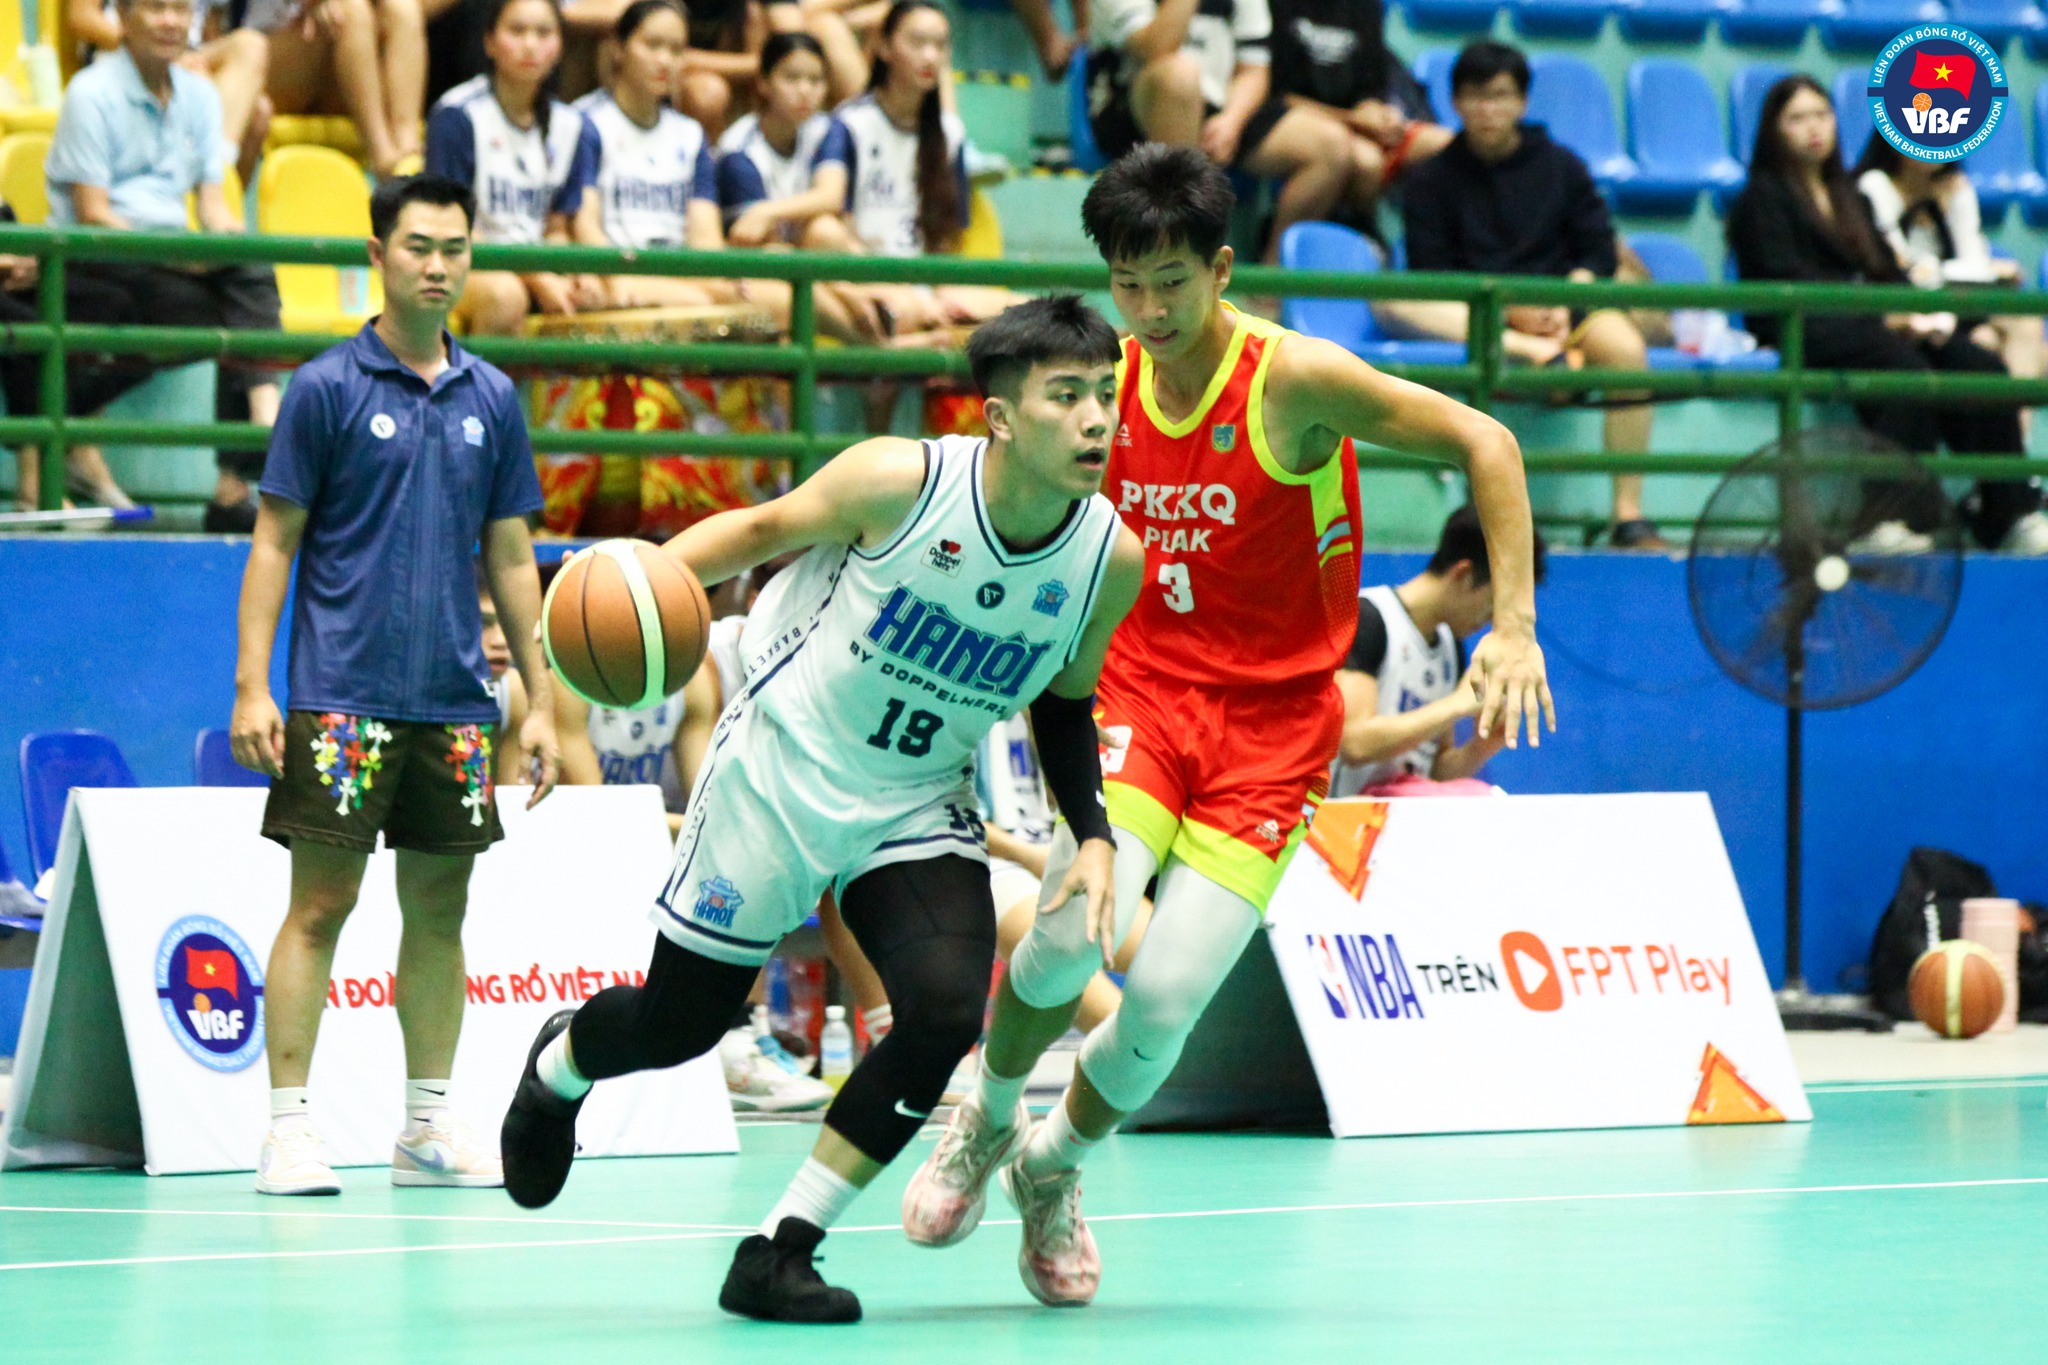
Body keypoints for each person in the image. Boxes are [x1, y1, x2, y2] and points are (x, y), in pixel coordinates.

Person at [903, 144, 1551, 1308]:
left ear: (1219, 270)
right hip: (1140, 695)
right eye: (1126, 285)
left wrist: (1511, 628)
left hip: (1276, 729)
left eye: (1169, 284)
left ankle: (1052, 1166)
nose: (1147, 313)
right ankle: (987, 1116)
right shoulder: (1099, 387)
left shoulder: (1292, 380)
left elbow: (1487, 444)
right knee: (1071, 930)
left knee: (1161, 1006)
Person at [497, 294, 1144, 1325]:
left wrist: (1094, 836)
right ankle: (561, 1065)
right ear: (1000, 417)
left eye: (1105, 394)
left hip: (916, 796)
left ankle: (778, 1249)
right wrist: (620, 595)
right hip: (780, 768)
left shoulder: (1107, 558)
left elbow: (1064, 703)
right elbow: (757, 531)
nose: (1096, 418)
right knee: (679, 1025)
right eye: (1066, 396)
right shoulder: (899, 482)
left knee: (943, 1013)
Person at [228, 174, 562, 1196]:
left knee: (439, 914)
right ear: (378, 253)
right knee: (319, 906)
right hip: (342, 696)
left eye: (454, 248)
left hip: (454, 703)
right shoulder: (325, 387)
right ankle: (288, 1129)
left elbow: (512, 557)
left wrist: (542, 700)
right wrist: (252, 686)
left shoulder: (492, 397)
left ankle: (425, 1126)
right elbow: (274, 541)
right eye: (418, 246)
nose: (437, 266)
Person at [1727, 76, 2046, 555]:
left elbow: (1883, 269)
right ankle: (1884, 517)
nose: (1813, 128)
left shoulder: (1846, 195)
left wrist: (1917, 314)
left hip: (1868, 322)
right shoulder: (1761, 199)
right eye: (1797, 118)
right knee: (1902, 368)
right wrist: (1879, 313)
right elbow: (1786, 276)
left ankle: (2009, 514)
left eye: (1822, 115)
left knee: (1975, 364)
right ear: (1773, 130)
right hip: (1805, 324)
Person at [1384, 41, 1661, 550]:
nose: (1488, 109)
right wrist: (1512, 315)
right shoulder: (1431, 180)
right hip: (1479, 312)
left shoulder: (1563, 167)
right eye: (1475, 97)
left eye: (1500, 96)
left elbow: (1597, 251)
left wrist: (1563, 304)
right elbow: (1432, 271)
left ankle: (1629, 515)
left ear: (1522, 101)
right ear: (1456, 103)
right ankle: (1531, 351)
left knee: (1625, 349)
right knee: (1397, 300)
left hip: (1564, 308)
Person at [44, 0, 286, 532]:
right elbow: (92, 214)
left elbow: (214, 206)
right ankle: (251, 453)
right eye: (156, 8)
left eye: (181, 9)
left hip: (170, 260)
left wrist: (224, 247)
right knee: (231, 309)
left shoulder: (200, 95)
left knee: (247, 270)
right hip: (100, 259)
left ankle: (251, 446)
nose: (172, 21)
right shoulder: (90, 93)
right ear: (122, 18)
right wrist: (181, 256)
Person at [1081, 0, 1353, 262]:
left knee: (1330, 144)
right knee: (1179, 77)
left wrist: (1232, 120)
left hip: (1220, 106)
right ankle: (1181, 253)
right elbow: (1155, 47)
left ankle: (1274, 272)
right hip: (1131, 107)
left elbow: (1254, 70)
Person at [1330, 505, 1547, 799]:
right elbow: (1353, 743)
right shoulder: (1368, 619)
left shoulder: (1449, 648)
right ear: (1464, 574)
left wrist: (1481, 746)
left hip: (1400, 818)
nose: (1490, 622)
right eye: (1491, 608)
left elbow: (1434, 774)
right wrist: (1457, 705)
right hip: (1341, 820)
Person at [832, 2, 1016, 343]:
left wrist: (940, 295)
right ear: (884, 47)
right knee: (905, 312)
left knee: (1038, 312)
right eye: (917, 43)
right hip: (872, 283)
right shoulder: (849, 125)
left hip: (932, 289)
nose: (930, 56)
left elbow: (947, 242)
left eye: (940, 45)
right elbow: (836, 229)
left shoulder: (950, 134)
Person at [425, 0, 607, 336]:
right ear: (489, 42)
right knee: (506, 296)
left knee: (591, 295)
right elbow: (453, 226)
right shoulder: (456, 115)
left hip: (532, 264)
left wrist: (573, 273)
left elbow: (555, 228)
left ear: (560, 46)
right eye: (517, 31)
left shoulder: (571, 125)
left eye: (544, 33)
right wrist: (536, 276)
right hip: (460, 259)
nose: (530, 44)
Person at [1852, 134, 2045, 426]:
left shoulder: (1955, 187)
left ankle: (2016, 443)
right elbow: (1899, 266)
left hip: (1958, 303)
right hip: (1910, 307)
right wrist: (1966, 268)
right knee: (1988, 343)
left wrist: (1953, 212)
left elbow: (1973, 260)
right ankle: (2011, 448)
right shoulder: (1875, 185)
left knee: (2021, 326)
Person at [716, 34, 883, 343]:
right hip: (765, 270)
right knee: (779, 257)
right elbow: (760, 243)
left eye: (816, 80)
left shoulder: (827, 128)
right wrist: (845, 293)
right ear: (764, 83)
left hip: (810, 257)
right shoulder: (738, 153)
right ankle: (871, 343)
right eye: (792, 78)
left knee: (826, 231)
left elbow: (831, 196)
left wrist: (767, 212)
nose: (805, 90)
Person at [1266, 0, 1451, 224]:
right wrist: (1351, 119)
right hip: (1292, 121)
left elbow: (1374, 84)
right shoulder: (1277, 6)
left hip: (1359, 124)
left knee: (1446, 144)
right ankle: (1339, 231)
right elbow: (1275, 96)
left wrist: (1382, 113)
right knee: (1366, 161)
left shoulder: (1366, 6)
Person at [68, 0, 272, 184]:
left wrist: (195, 68)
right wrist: (156, 51)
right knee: (256, 111)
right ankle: (208, 184)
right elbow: (82, 17)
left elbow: (210, 25)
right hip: (126, 54)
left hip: (184, 55)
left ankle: (213, 177)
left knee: (251, 47)